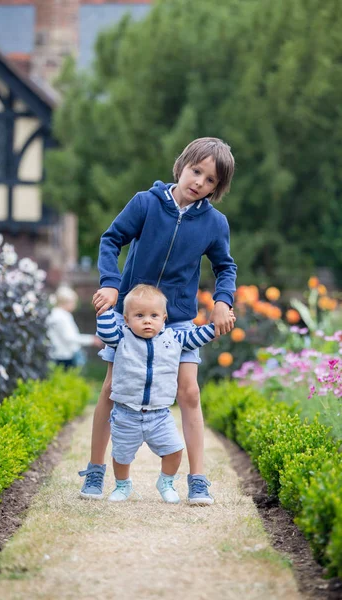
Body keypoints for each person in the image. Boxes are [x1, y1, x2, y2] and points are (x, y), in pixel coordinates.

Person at [79, 137, 237, 504]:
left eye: (210, 179)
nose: (199, 181)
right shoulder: (146, 204)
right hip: (132, 316)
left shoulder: (214, 223)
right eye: (196, 171)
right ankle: (95, 470)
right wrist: (111, 285)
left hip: (178, 320)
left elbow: (225, 266)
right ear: (181, 166)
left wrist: (222, 301)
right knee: (111, 388)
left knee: (190, 392)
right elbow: (111, 239)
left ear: (217, 188)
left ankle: (197, 480)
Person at [90, 284, 230, 503]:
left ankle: (166, 482)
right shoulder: (122, 338)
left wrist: (215, 328)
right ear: (126, 320)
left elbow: (196, 337)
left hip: (160, 415)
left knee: (174, 451)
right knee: (121, 456)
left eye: (154, 315)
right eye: (139, 315)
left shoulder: (173, 339)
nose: (147, 320)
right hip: (126, 414)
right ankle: (122, 485)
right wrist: (105, 308)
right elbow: (106, 332)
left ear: (164, 318)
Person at [47, 286, 102, 369]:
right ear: (66, 302)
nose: (75, 305)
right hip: (64, 355)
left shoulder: (54, 314)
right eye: (74, 302)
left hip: (57, 353)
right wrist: (91, 340)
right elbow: (69, 337)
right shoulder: (62, 316)